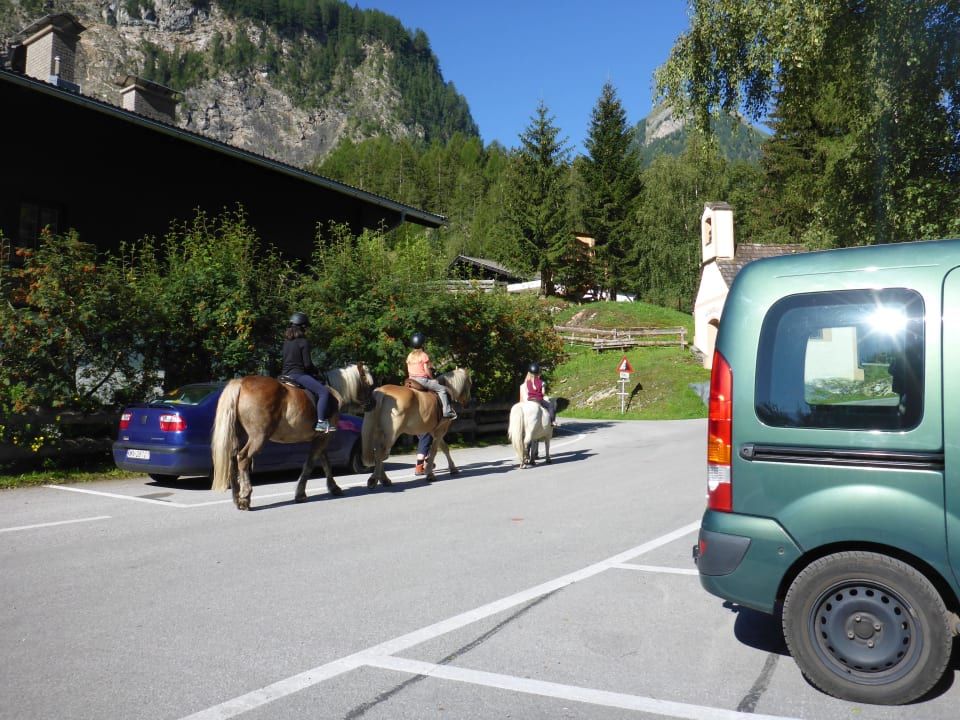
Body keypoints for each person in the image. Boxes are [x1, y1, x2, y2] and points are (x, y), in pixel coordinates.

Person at [281, 311, 335, 433]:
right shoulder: (303, 341)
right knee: (323, 392)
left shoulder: (286, 342)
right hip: (298, 375)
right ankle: (321, 422)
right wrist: (316, 371)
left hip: (285, 375)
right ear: (303, 326)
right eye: (305, 327)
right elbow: (307, 364)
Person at [406, 331, 457, 419]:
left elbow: (408, 369)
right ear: (422, 344)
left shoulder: (410, 356)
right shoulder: (423, 355)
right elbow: (426, 370)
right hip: (422, 381)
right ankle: (447, 412)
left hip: (411, 380)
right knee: (442, 389)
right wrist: (432, 379)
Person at [520, 362, 556, 426]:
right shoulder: (542, 382)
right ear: (538, 373)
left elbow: (527, 391)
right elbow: (543, 392)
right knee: (551, 405)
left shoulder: (527, 383)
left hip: (530, 400)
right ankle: (552, 421)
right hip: (539, 400)